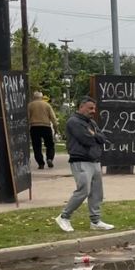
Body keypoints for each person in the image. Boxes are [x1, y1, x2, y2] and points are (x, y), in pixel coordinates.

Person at [55, 97, 115, 233]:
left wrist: (95, 135)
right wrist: (95, 136)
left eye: (94, 108)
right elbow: (86, 139)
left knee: (96, 192)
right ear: (81, 107)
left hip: (94, 160)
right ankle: (64, 216)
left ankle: (95, 221)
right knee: (83, 191)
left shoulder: (91, 122)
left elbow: (103, 138)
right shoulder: (74, 122)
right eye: (90, 108)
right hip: (80, 160)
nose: (93, 111)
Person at [27, 91, 57, 170]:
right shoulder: (47, 105)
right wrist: (55, 127)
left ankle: (41, 163)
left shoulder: (30, 105)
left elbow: (27, 117)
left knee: (37, 146)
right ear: (42, 97)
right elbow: (53, 118)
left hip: (34, 127)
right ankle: (49, 158)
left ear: (34, 97)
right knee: (50, 144)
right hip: (46, 126)